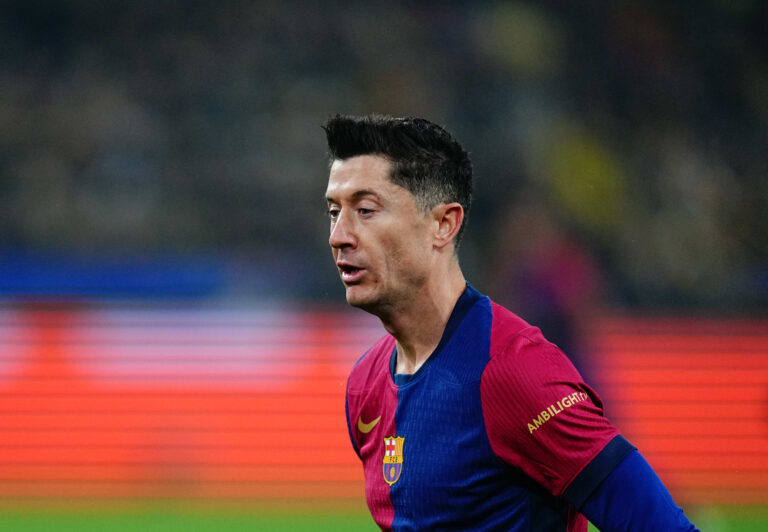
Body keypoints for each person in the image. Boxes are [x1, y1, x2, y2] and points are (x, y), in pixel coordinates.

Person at [322, 114, 699, 532]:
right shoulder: (365, 386)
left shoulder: (512, 370)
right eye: (335, 212)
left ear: (443, 225)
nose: (339, 235)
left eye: (366, 210)